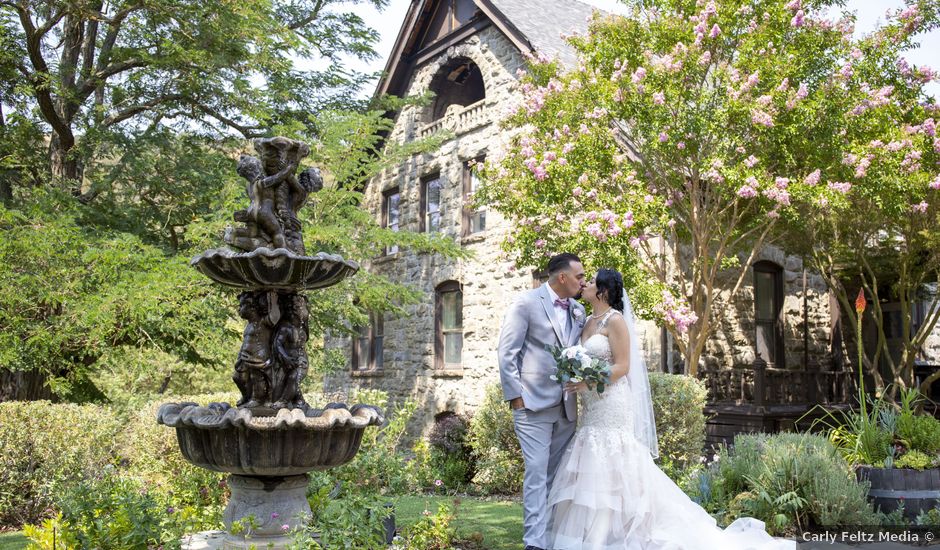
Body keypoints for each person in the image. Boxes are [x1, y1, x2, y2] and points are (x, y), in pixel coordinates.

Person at [547, 268, 795, 550]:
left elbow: (622, 367)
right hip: (591, 408)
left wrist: (587, 382)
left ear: (602, 291)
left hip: (611, 403)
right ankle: (595, 535)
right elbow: (584, 357)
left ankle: (612, 536)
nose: (585, 284)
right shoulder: (587, 322)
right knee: (592, 463)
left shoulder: (615, 322)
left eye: (591, 282)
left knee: (614, 462)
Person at [498, 252, 588, 550]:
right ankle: (534, 542)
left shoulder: (578, 310)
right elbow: (506, 351)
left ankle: (550, 536)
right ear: (562, 277)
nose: (583, 281)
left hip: (566, 406)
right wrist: (515, 397)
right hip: (531, 405)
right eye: (579, 276)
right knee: (537, 473)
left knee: (556, 475)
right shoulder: (525, 303)